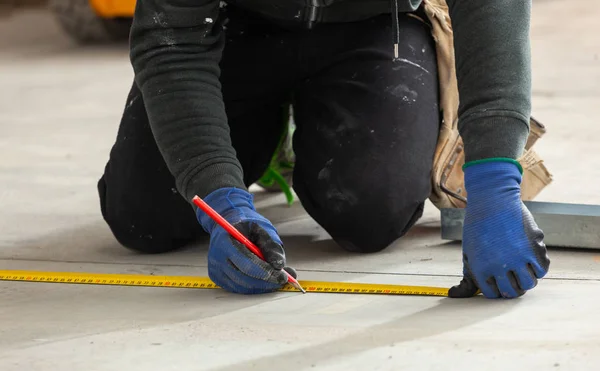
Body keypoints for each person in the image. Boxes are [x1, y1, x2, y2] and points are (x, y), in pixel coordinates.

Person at [97, 0, 550, 299]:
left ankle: (314, 119)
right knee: (145, 216)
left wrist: (494, 177)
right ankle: (262, 134)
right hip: (233, 29)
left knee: (371, 214)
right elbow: (171, 42)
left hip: (373, 25)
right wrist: (219, 195)